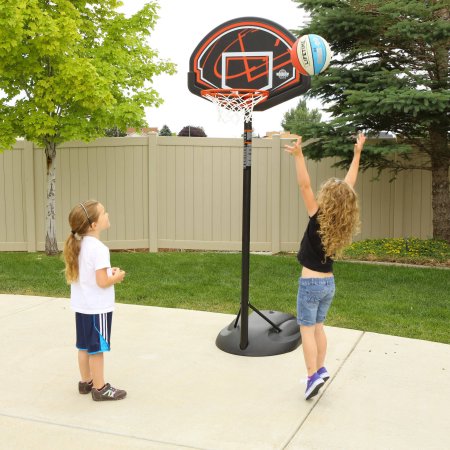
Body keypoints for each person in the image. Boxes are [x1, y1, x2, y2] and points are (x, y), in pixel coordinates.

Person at [285, 133, 365, 400]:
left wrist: (299, 156)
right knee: (318, 327)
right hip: (328, 284)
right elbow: (349, 184)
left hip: (309, 284)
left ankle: (311, 376)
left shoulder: (317, 215)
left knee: (307, 330)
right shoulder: (340, 223)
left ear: (327, 199)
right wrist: (356, 155)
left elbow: (304, 186)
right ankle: (320, 369)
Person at [63, 200, 127, 401]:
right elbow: (102, 282)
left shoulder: (79, 245)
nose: (107, 214)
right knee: (97, 349)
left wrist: (109, 271)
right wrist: (116, 276)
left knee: (83, 346)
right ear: (93, 225)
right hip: (97, 309)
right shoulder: (99, 249)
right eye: (104, 213)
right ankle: (100, 388)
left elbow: (91, 275)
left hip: (82, 307)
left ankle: (86, 382)